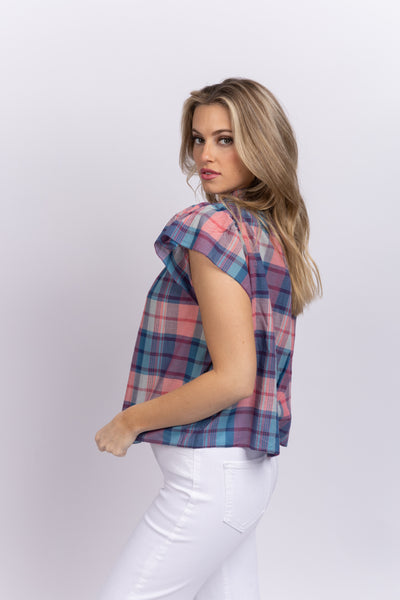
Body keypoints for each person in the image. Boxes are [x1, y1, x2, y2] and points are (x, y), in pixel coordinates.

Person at [95, 77, 322, 599]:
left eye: (225, 139)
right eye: (199, 139)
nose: (205, 155)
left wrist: (128, 422)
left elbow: (234, 379)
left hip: (209, 482)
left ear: (261, 144)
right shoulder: (266, 232)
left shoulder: (210, 227)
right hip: (241, 477)